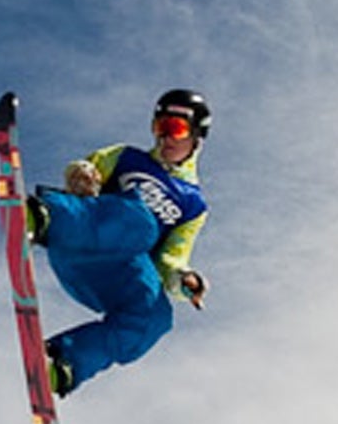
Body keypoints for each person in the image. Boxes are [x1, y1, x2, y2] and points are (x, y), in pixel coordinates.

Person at [26, 89, 212, 396]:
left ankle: (62, 365)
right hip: (78, 237)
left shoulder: (194, 205)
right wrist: (83, 177)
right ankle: (42, 217)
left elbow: (170, 260)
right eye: (159, 127)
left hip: (112, 274)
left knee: (156, 317)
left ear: (197, 138)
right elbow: (87, 168)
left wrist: (183, 279)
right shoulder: (128, 157)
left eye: (175, 129)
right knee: (140, 220)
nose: (164, 138)